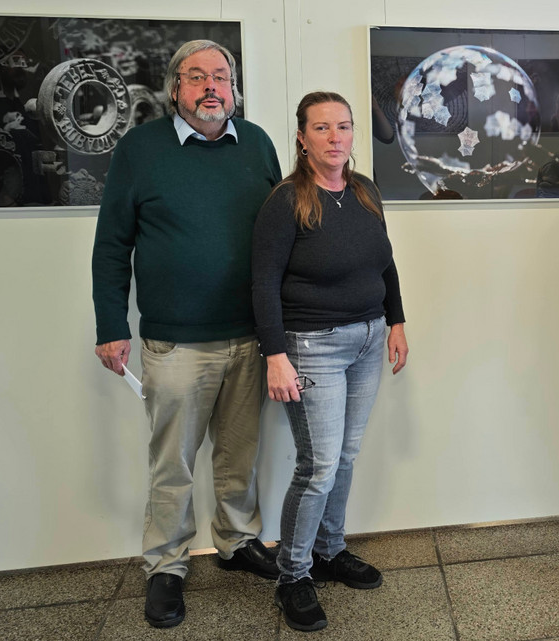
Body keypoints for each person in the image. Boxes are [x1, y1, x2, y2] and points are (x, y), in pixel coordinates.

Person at [91, 40, 282, 628]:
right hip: (175, 342)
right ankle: (167, 566)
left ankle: (236, 540)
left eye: (220, 77)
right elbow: (112, 244)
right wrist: (109, 324)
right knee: (172, 462)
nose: (210, 88)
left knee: (239, 454)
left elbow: (279, 238)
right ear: (175, 88)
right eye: (196, 77)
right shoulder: (140, 149)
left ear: (233, 87)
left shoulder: (256, 143)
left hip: (250, 336)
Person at [251, 91, 408, 632]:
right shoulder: (286, 200)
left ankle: (328, 549)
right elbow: (263, 283)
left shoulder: (365, 191)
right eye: (322, 128)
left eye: (343, 127)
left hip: (367, 339)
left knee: (343, 457)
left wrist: (396, 321)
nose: (335, 137)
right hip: (310, 343)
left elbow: (384, 262)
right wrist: (275, 354)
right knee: (316, 467)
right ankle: (292, 576)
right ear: (302, 137)